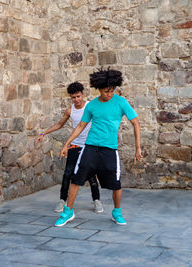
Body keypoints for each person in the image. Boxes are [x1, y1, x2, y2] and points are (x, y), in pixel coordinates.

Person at [55, 68, 142, 227]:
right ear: (99, 89)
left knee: (116, 183)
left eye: (111, 90)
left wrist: (138, 148)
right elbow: (81, 126)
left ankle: (117, 212)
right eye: (105, 91)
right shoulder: (92, 105)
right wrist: (67, 144)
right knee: (76, 179)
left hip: (109, 149)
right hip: (90, 148)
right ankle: (68, 211)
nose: (108, 94)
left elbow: (135, 123)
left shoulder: (121, 102)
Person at [36, 82, 103, 214]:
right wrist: (44, 133)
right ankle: (62, 200)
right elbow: (60, 124)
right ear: (70, 98)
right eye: (73, 97)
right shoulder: (70, 110)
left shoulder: (91, 106)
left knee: (91, 175)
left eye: (78, 96)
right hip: (75, 144)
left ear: (83, 94)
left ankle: (96, 201)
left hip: (90, 146)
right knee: (68, 173)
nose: (76, 100)